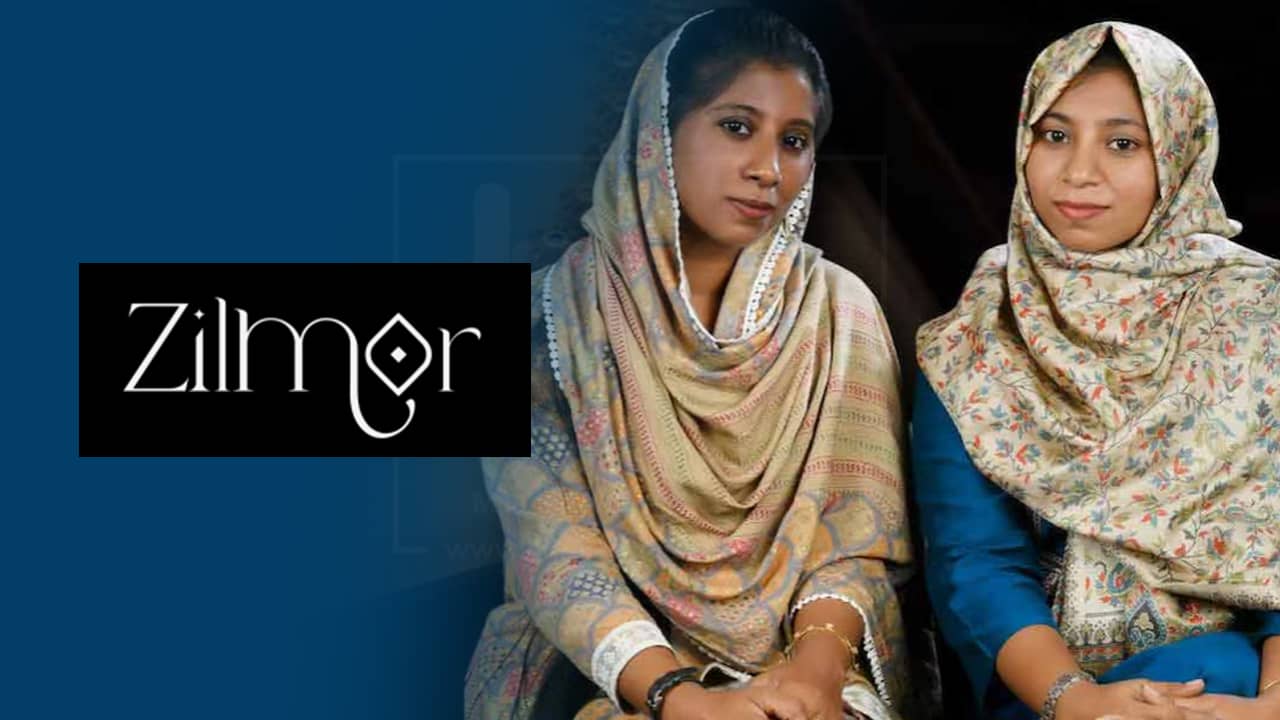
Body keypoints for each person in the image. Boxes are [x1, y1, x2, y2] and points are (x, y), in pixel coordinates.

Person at [464, 8, 913, 720]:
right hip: (606, 668)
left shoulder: (837, 310)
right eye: (736, 126)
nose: (768, 169)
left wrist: (812, 680)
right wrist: (679, 697)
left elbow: (855, 538)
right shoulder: (546, 320)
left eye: (794, 141)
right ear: (658, 135)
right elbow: (555, 549)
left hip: (805, 657)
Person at [913, 21, 1280, 720]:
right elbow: (976, 560)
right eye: (1054, 135)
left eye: (1122, 143)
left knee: (1216, 670)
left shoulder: (1258, 313)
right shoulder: (977, 334)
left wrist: (1271, 706)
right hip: (1050, 692)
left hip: (1243, 683)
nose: (1079, 171)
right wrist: (1076, 700)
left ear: (1178, 153)